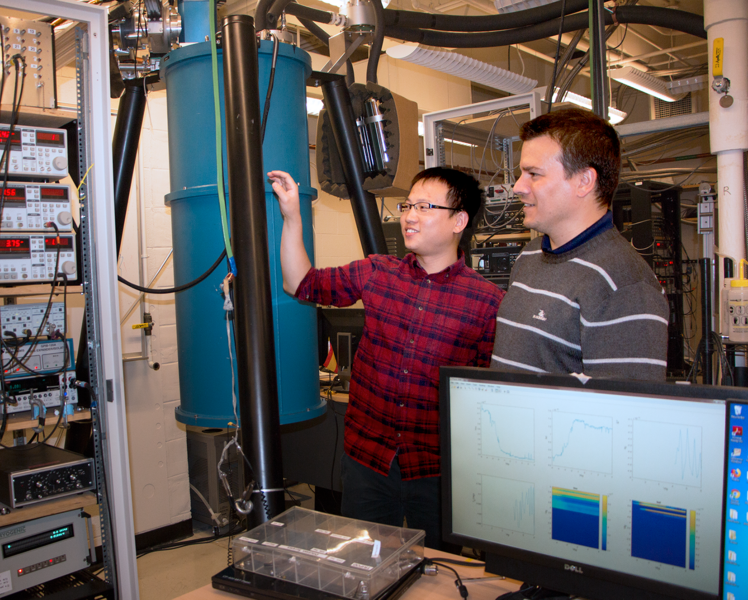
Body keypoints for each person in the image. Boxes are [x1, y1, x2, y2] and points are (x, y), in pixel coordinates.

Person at [268, 167, 504, 549]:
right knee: (367, 566)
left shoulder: (487, 303)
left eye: (425, 206)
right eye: (407, 205)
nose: (409, 216)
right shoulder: (378, 272)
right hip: (367, 462)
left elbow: (486, 403)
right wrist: (292, 214)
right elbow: (301, 283)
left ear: (459, 220)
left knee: (440, 572)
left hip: (437, 471)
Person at [491, 108, 669, 380]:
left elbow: (625, 411)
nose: (518, 187)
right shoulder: (530, 255)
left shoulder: (625, 284)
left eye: (534, 174)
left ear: (584, 181)